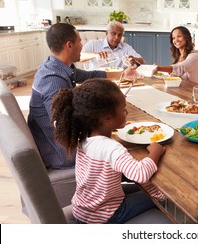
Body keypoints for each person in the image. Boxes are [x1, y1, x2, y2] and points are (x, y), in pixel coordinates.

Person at [51, 78, 166, 223]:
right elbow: (139, 174)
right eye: (124, 109)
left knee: (139, 189)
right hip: (105, 215)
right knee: (159, 196)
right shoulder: (112, 148)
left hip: (83, 210)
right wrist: (155, 152)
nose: (127, 112)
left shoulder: (82, 135)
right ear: (107, 119)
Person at [27, 23, 135, 169]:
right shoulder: (52, 79)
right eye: (80, 41)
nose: (82, 46)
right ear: (69, 45)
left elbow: (88, 75)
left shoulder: (57, 66)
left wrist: (122, 74)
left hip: (60, 142)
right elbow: (62, 124)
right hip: (62, 152)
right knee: (129, 146)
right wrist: (108, 123)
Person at [81, 20, 145, 69]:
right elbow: (79, 57)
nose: (117, 37)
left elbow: (142, 61)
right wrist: (95, 55)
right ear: (106, 33)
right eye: (113, 33)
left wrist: (134, 59)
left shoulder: (126, 47)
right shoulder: (93, 44)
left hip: (119, 81)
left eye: (119, 35)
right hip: (96, 80)